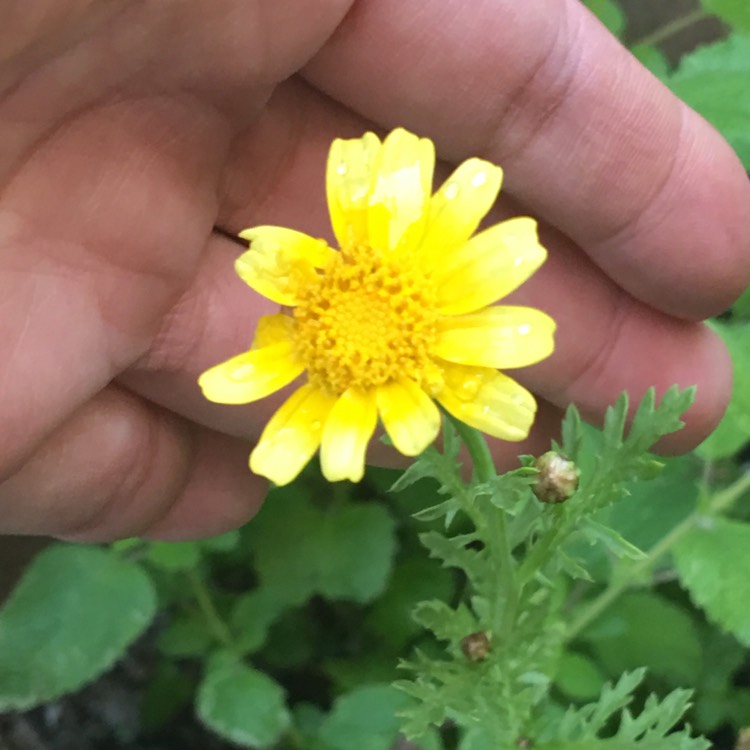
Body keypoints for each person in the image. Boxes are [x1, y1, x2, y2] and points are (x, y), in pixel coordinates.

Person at [0, 0, 747, 541]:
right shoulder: (310, 310)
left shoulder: (442, 295)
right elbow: (275, 303)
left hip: (439, 341)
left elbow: (491, 273)